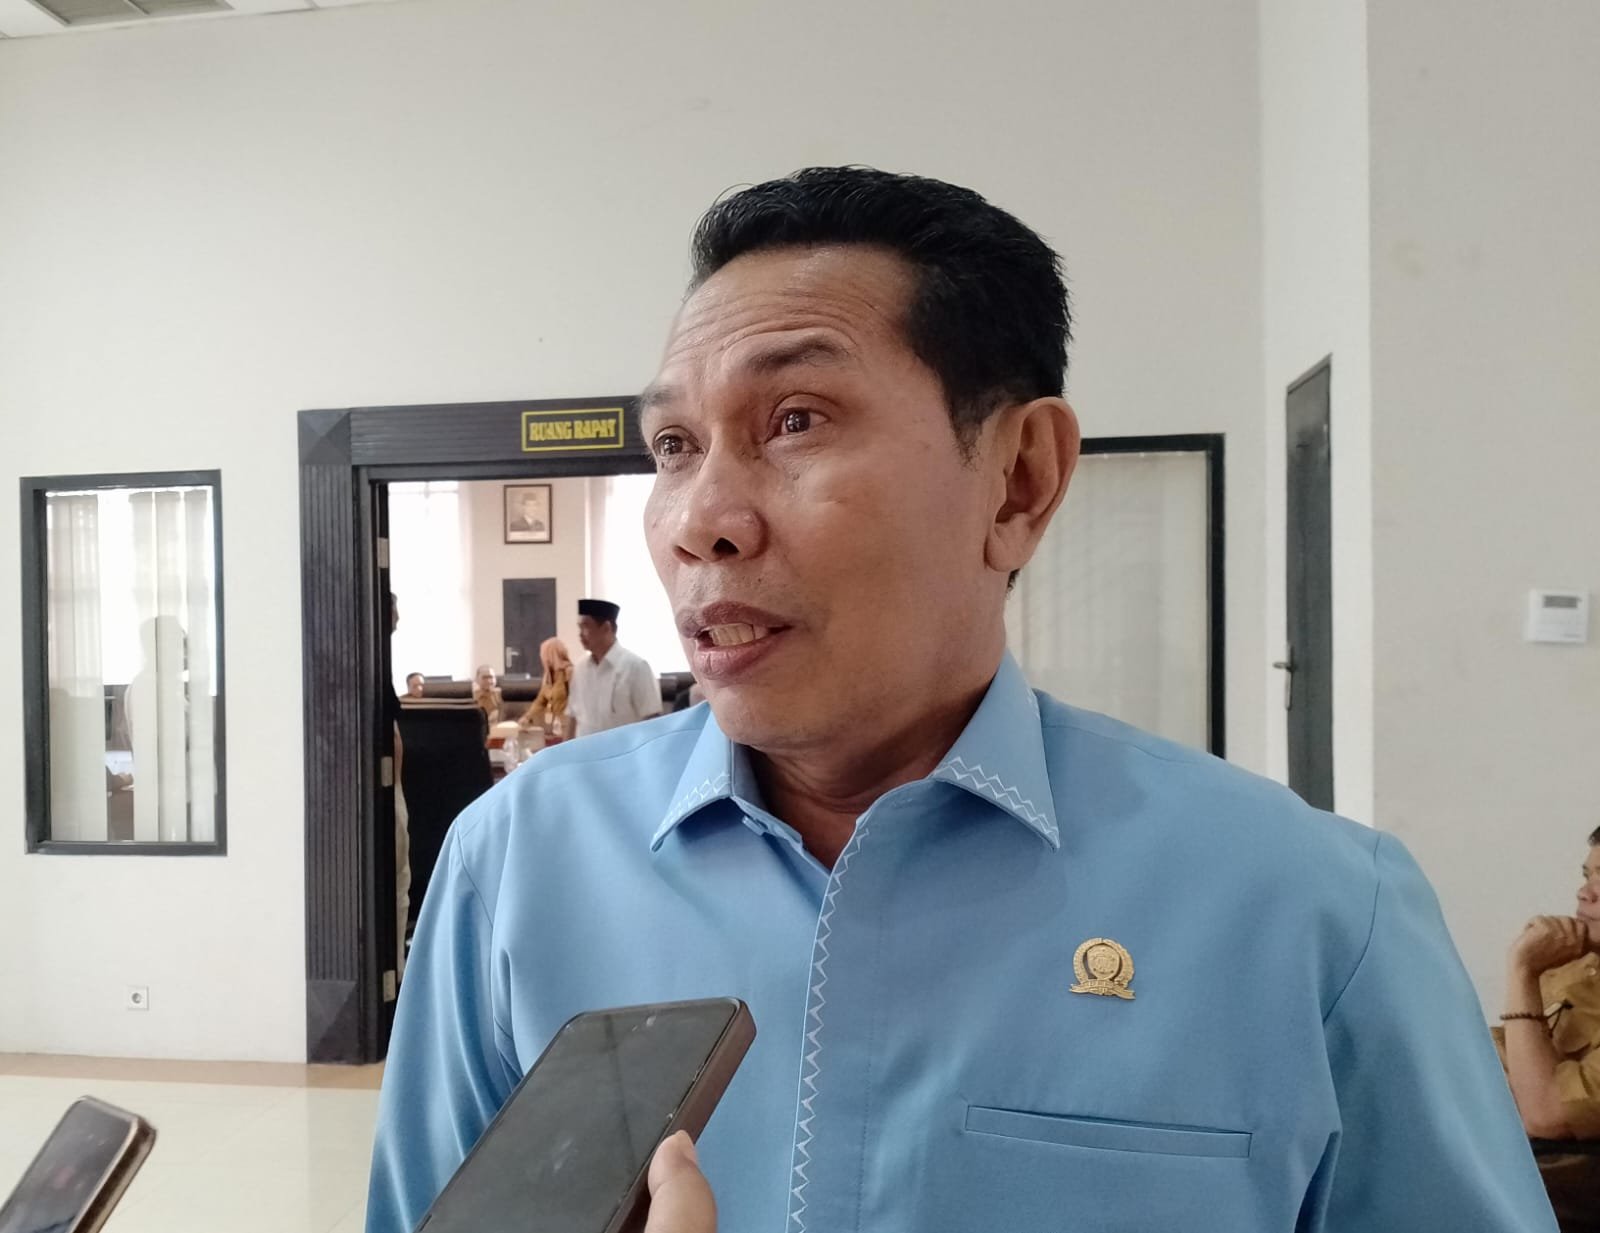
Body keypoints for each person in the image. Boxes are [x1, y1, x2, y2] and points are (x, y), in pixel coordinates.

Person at [366, 168, 1555, 1233]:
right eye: (674, 445)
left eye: (795, 421)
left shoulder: (1311, 914)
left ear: (1019, 481)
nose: (698, 520)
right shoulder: (517, 863)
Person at [1497, 827, 1600, 1230]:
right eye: (1587, 876)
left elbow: (1544, 1114)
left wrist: (1521, 971)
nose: (1585, 893)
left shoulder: (1542, 964)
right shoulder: (1577, 964)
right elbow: (1490, 1061)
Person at [568, 598, 660, 736]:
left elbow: (652, 719)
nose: (580, 634)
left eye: (586, 627)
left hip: (624, 748)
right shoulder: (579, 668)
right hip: (585, 748)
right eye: (579, 627)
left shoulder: (636, 667)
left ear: (606, 628)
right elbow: (572, 716)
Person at [516, 637, 575, 742]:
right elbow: (540, 701)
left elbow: (578, 702)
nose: (541, 657)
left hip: (570, 726)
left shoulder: (569, 672)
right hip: (555, 727)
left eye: (543, 653)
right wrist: (527, 717)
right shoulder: (549, 676)